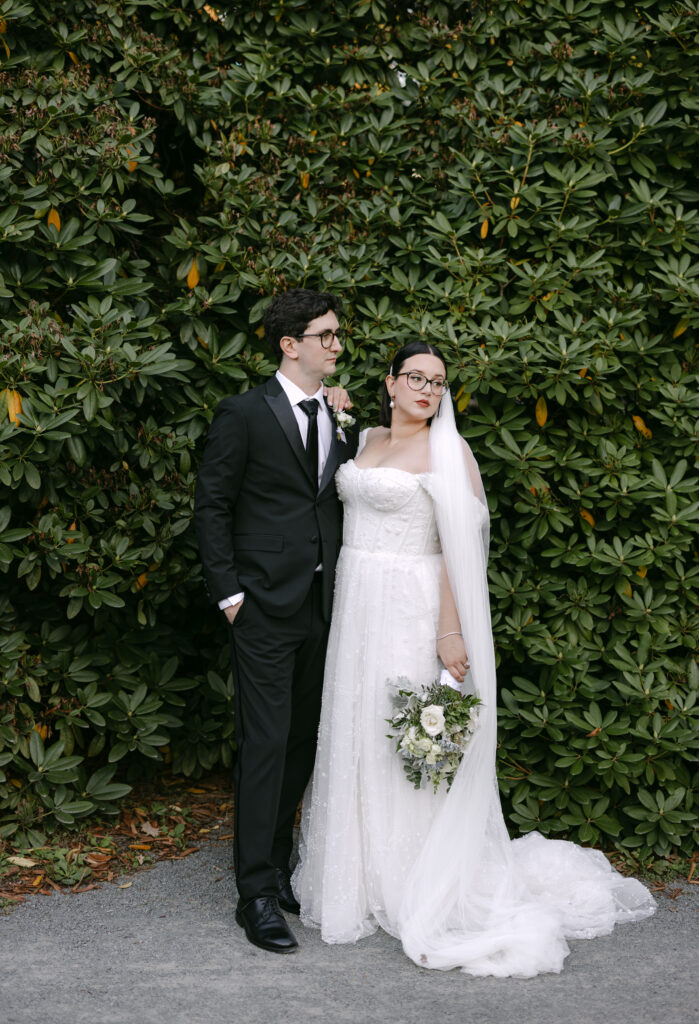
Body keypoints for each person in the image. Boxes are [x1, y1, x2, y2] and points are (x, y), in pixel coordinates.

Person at [293, 340, 656, 977]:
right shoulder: (365, 435)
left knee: (402, 737)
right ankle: (357, 873)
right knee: (355, 727)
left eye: (437, 381)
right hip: (356, 606)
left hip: (412, 606)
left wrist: (450, 634)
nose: (427, 390)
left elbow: (464, 553)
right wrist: (330, 402)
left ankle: (416, 878)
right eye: (415, 378)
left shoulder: (450, 451)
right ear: (391, 382)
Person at [194, 289, 357, 954]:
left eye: (336, 335)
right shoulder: (243, 413)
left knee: (300, 744)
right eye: (324, 336)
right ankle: (254, 894)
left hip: (326, 608)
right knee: (265, 744)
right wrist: (229, 593)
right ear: (289, 344)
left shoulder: (337, 415)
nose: (336, 345)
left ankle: (281, 868)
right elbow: (211, 505)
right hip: (261, 607)